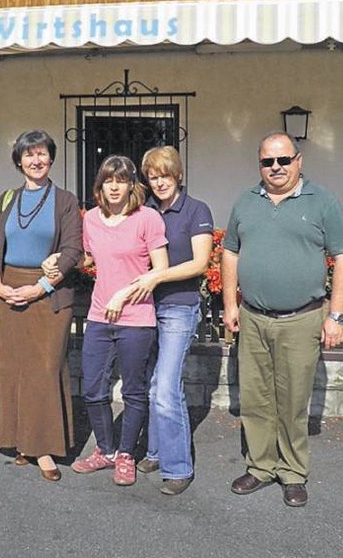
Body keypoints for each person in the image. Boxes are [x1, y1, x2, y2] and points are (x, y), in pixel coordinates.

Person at [221, 130, 343, 507]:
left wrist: (337, 316)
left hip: (302, 319)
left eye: (283, 160)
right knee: (255, 398)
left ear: (299, 161)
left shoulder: (322, 201)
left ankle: (293, 472)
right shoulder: (245, 202)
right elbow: (230, 252)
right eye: (268, 161)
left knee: (293, 400)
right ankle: (261, 467)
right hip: (253, 318)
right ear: (259, 164)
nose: (276, 167)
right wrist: (230, 305)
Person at [0, 129, 82, 482]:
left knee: (44, 368)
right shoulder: (6, 199)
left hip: (49, 294)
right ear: (19, 161)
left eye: (42, 154)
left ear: (51, 159)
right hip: (8, 290)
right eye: (29, 155)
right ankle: (19, 441)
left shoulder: (65, 201)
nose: (36, 161)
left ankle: (45, 449)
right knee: (13, 367)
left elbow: (72, 252)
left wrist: (38, 288)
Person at [68, 155, 168, 486]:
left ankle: (126, 454)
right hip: (99, 316)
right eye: (108, 180)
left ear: (131, 185)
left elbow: (160, 269)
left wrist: (123, 295)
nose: (114, 186)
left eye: (121, 180)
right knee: (94, 387)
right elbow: (85, 257)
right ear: (100, 185)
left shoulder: (147, 218)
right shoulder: (92, 220)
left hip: (136, 318)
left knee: (134, 391)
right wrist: (58, 260)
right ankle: (106, 450)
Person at [129, 146, 214, 495]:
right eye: (152, 176)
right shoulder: (146, 211)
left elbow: (200, 263)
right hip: (145, 307)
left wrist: (156, 277)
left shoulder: (196, 210)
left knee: (166, 386)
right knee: (151, 383)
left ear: (177, 175)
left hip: (179, 306)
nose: (159, 182)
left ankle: (178, 467)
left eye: (164, 175)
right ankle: (155, 450)